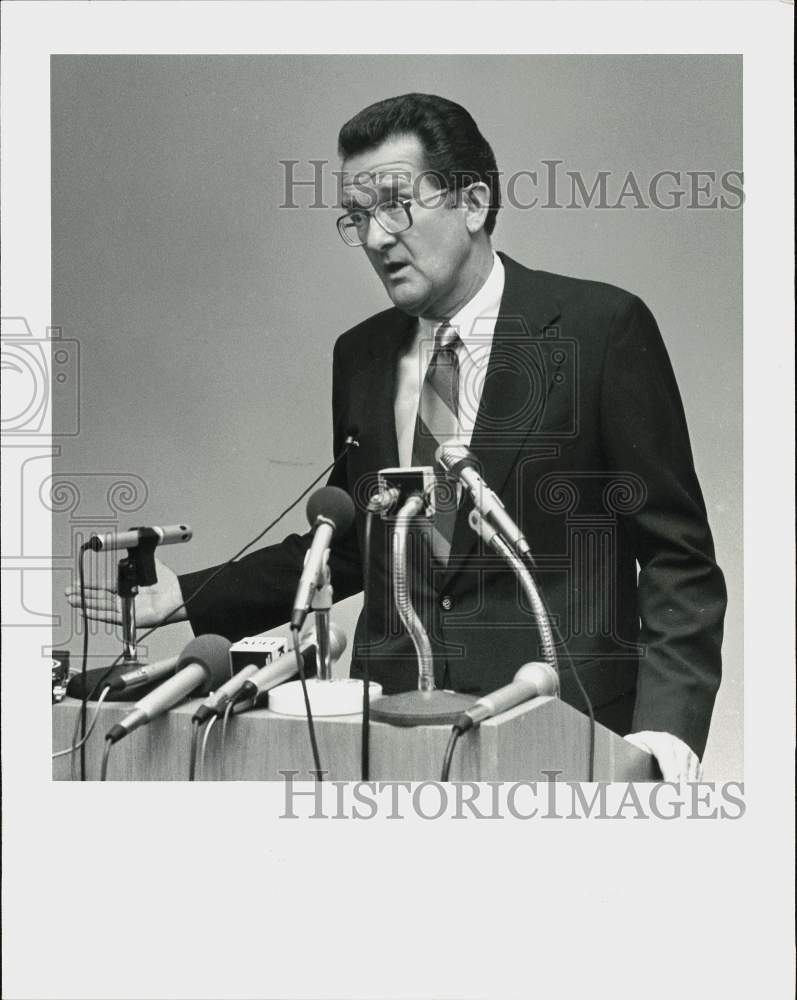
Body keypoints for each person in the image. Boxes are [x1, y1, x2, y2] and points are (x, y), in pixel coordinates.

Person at [68, 93, 727, 781]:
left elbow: (676, 556)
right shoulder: (362, 354)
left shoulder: (600, 330)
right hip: (385, 737)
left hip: (562, 735)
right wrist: (185, 597)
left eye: (394, 204)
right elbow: (352, 543)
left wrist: (661, 739)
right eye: (355, 217)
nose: (376, 237)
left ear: (472, 202)